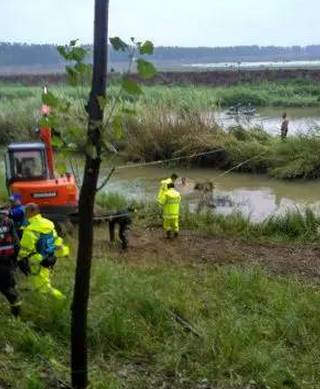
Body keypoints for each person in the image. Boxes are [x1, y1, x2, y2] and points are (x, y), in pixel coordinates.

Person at [18, 203, 69, 300]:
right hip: (49, 258)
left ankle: (62, 299)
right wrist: (63, 252)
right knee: (43, 283)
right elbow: (56, 240)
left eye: (26, 211)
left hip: (37, 263)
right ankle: (47, 302)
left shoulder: (30, 229)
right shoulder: (48, 224)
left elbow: (25, 250)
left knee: (43, 287)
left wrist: (20, 259)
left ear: (30, 212)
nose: (25, 214)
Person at [0, 210, 21, 317]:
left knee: (6, 288)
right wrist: (14, 260)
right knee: (8, 288)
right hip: (6, 261)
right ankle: (16, 314)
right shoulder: (8, 223)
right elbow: (16, 244)